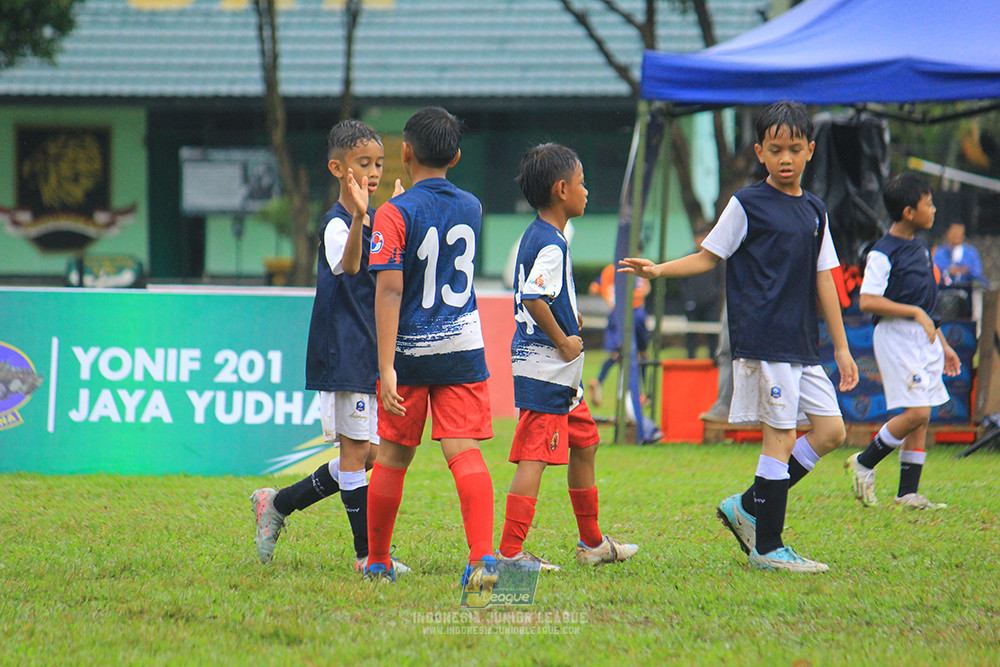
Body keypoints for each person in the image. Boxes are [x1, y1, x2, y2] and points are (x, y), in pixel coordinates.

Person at [620, 101, 859, 573]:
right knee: (781, 437)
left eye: (795, 149)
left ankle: (749, 504)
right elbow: (709, 256)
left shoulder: (815, 211)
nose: (786, 158)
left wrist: (842, 346)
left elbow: (824, 278)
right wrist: (659, 269)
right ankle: (768, 547)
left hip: (803, 345)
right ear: (759, 151)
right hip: (765, 340)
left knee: (832, 431)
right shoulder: (746, 204)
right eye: (776, 149)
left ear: (810, 151)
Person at [250, 120, 409, 573]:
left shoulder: (375, 220)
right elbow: (352, 265)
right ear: (338, 169)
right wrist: (360, 217)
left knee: (368, 456)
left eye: (378, 164)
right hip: (343, 350)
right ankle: (367, 557)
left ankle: (278, 503)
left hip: (367, 350)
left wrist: (397, 216)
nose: (373, 172)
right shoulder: (338, 224)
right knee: (357, 455)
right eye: (363, 164)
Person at [363, 107, 497, 590]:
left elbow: (390, 290)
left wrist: (386, 366)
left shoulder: (393, 213)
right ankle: (482, 560)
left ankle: (378, 562)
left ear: (405, 152)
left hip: (409, 354)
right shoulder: (473, 207)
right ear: (456, 157)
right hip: (462, 348)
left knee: (394, 456)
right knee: (465, 453)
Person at [499, 143, 639, 571]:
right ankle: (510, 553)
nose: (587, 190)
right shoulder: (553, 244)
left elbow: (544, 291)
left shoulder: (540, 234)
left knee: (586, 443)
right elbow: (533, 295)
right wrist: (563, 339)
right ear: (562, 190)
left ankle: (592, 543)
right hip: (547, 368)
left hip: (562, 378)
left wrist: (568, 312)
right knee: (534, 457)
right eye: (581, 183)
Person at [846, 172, 961, 510]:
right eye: (929, 204)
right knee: (917, 412)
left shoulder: (921, 247)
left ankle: (908, 493)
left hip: (924, 338)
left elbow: (924, 306)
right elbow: (868, 301)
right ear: (909, 212)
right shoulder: (882, 252)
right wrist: (914, 313)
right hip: (897, 337)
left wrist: (943, 345)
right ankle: (864, 462)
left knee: (922, 414)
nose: (934, 209)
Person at [587, 263, 650, 407]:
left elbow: (593, 289)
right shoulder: (636, 267)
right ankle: (644, 393)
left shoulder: (609, 270)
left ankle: (598, 381)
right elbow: (644, 290)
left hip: (616, 314)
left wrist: (607, 292)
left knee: (617, 354)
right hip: (635, 313)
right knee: (641, 354)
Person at [678, 228, 724, 359]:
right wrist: (689, 298)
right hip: (692, 303)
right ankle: (690, 360)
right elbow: (682, 282)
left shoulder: (716, 261)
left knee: (712, 334)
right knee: (691, 334)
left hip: (711, 303)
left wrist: (714, 295)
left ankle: (713, 359)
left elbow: (720, 281)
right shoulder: (688, 258)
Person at [933, 222, 987, 287]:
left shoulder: (971, 253)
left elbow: (977, 273)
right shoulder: (939, 253)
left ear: (963, 235)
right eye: (954, 233)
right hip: (944, 289)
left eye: (959, 233)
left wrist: (965, 270)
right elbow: (934, 271)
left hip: (967, 288)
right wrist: (948, 270)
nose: (956, 235)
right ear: (948, 233)